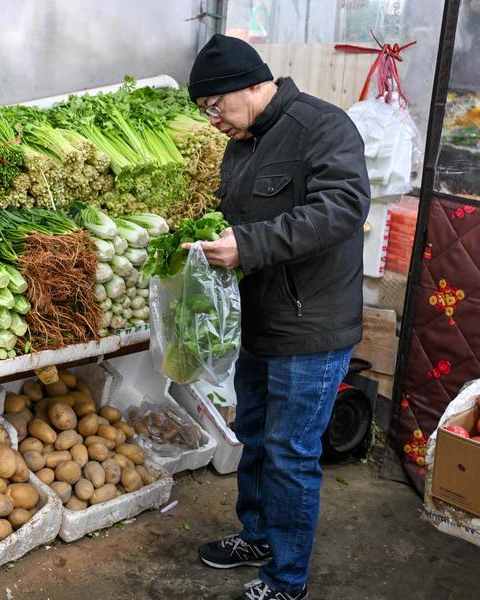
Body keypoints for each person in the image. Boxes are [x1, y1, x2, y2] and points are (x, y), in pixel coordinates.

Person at [184, 34, 371, 600]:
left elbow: (341, 208)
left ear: (250, 85)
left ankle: (287, 581)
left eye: (214, 106)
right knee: (257, 439)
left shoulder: (323, 126)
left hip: (311, 327)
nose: (213, 120)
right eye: (205, 111)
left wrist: (247, 245)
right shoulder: (242, 144)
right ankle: (259, 536)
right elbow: (241, 217)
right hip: (261, 322)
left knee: (290, 455)